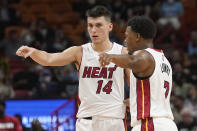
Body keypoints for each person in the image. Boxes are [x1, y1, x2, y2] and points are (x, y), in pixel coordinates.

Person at [16, 6, 129, 131]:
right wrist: (33, 52)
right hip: (86, 121)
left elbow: (135, 85)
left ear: (110, 27)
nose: (93, 30)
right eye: (90, 25)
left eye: (98, 25)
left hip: (113, 120)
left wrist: (130, 100)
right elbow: (49, 59)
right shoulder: (79, 52)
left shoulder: (123, 53)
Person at [99, 16, 178, 131]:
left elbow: (132, 61)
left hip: (149, 125)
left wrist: (110, 56)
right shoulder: (163, 59)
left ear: (137, 37)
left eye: (127, 35)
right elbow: (153, 97)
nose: (125, 40)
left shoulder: (144, 55)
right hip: (167, 125)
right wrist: (134, 103)